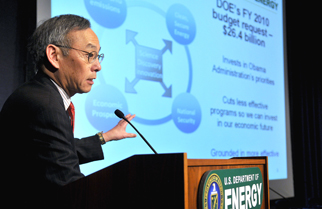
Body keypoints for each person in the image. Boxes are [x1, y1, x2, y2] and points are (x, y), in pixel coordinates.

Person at [0, 14, 136, 207]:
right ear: (54, 56)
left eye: (98, 56)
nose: (98, 66)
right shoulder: (44, 105)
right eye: (90, 55)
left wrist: (104, 137)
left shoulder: (41, 95)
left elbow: (56, 150)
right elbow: (70, 187)